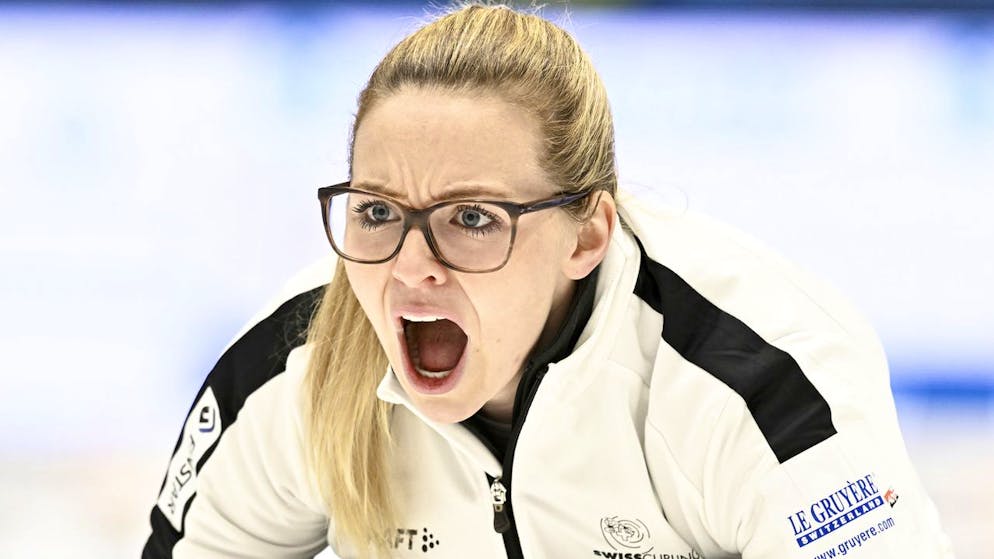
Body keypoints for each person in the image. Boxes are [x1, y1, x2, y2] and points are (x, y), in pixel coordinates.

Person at [142, 4, 954, 558]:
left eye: (472, 217)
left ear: (587, 234)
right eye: (378, 211)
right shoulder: (295, 371)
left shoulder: (758, 385)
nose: (410, 265)